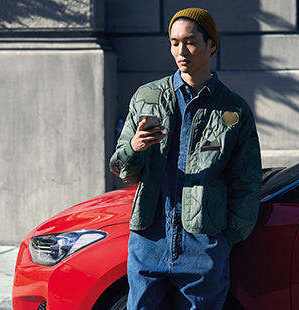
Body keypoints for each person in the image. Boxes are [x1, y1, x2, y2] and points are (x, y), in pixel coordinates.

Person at [109, 7, 262, 310]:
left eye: (190, 42)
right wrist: (135, 147)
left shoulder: (235, 110)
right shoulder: (146, 97)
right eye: (175, 43)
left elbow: (247, 181)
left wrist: (223, 240)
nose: (181, 51)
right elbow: (122, 167)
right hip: (149, 240)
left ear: (212, 46)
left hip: (203, 246)